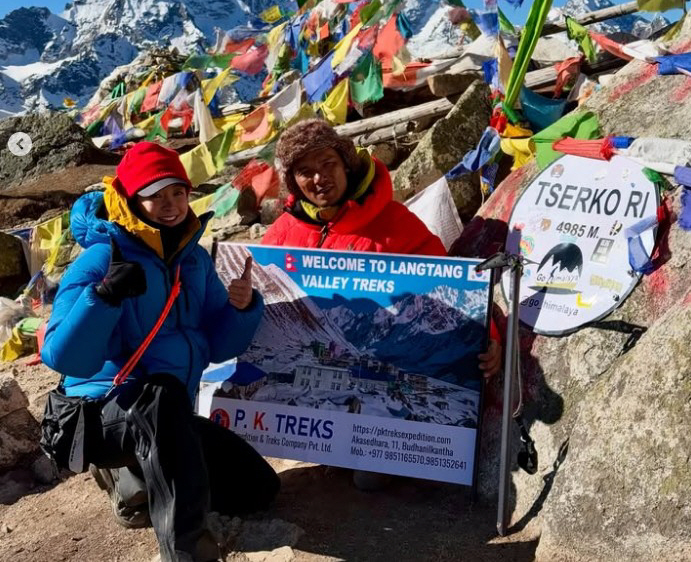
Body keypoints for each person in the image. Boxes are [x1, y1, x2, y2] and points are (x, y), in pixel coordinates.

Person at [42, 141, 280, 562]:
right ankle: (186, 550)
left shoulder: (193, 261)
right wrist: (103, 298)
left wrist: (240, 309)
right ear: (132, 200)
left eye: (178, 192)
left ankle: (139, 479)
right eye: (155, 195)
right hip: (94, 415)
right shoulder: (101, 258)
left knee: (257, 489)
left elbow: (219, 345)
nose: (170, 204)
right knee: (160, 397)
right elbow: (64, 357)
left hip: (167, 417)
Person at [261, 119, 501, 490]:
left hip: (385, 372)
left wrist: (490, 335)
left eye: (328, 165)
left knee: (368, 478)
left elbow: (450, 287)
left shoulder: (394, 223)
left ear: (346, 164)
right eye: (305, 172)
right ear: (293, 182)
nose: (319, 179)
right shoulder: (282, 234)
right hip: (321, 379)